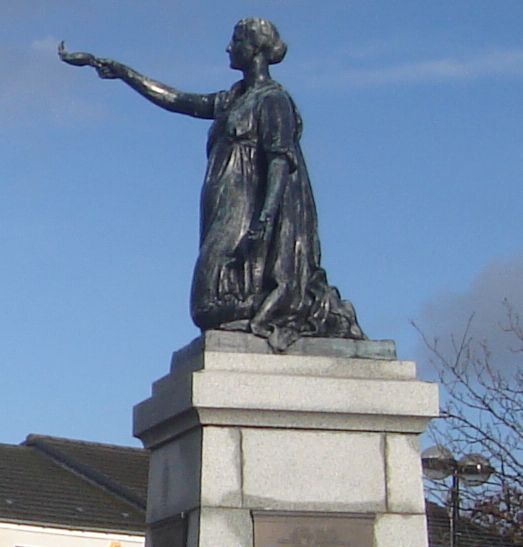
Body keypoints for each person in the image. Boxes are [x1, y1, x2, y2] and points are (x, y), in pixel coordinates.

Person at [59, 18, 366, 351]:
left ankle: (287, 303)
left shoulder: (273, 100)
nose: (228, 47)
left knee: (207, 306)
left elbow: (279, 161)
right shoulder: (233, 98)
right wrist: (123, 72)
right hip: (224, 207)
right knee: (206, 305)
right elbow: (177, 100)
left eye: (236, 41)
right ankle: (264, 306)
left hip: (249, 212)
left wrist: (264, 220)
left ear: (256, 49)